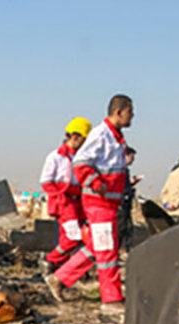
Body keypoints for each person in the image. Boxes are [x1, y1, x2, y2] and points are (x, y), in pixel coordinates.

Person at [73, 93, 134, 304]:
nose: (132, 116)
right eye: (130, 112)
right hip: (98, 203)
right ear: (119, 112)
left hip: (108, 203)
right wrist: (97, 183)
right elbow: (80, 163)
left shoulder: (115, 138)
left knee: (97, 247)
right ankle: (111, 299)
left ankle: (59, 278)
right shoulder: (101, 135)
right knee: (107, 251)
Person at [39, 116, 94, 303]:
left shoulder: (80, 158)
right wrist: (61, 195)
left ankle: (57, 272)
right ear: (76, 136)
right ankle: (50, 260)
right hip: (63, 201)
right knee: (73, 237)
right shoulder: (56, 157)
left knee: (72, 238)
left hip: (79, 201)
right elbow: (46, 182)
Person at [116, 146, 141, 241]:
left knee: (127, 227)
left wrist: (132, 183)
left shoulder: (124, 170)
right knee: (121, 228)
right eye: (132, 158)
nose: (133, 161)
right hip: (122, 203)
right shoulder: (120, 169)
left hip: (125, 203)